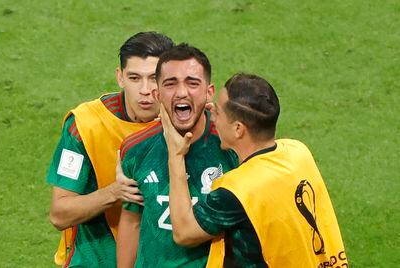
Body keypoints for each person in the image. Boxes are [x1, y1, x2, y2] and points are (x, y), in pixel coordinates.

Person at [161, 73, 349, 267]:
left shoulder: (237, 191)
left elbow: (184, 232)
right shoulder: (298, 151)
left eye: (217, 111)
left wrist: (175, 156)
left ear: (238, 130)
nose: (211, 114)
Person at [46, 31, 174, 267]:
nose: (145, 90)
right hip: (94, 260)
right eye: (134, 78)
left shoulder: (190, 124)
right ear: (120, 77)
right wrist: (115, 192)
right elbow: (59, 214)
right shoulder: (85, 125)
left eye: (154, 78)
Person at [116, 43, 239, 267]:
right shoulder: (136, 149)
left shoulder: (232, 150)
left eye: (192, 83)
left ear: (209, 91)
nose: (182, 92)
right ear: (157, 93)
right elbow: (132, 220)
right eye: (170, 84)